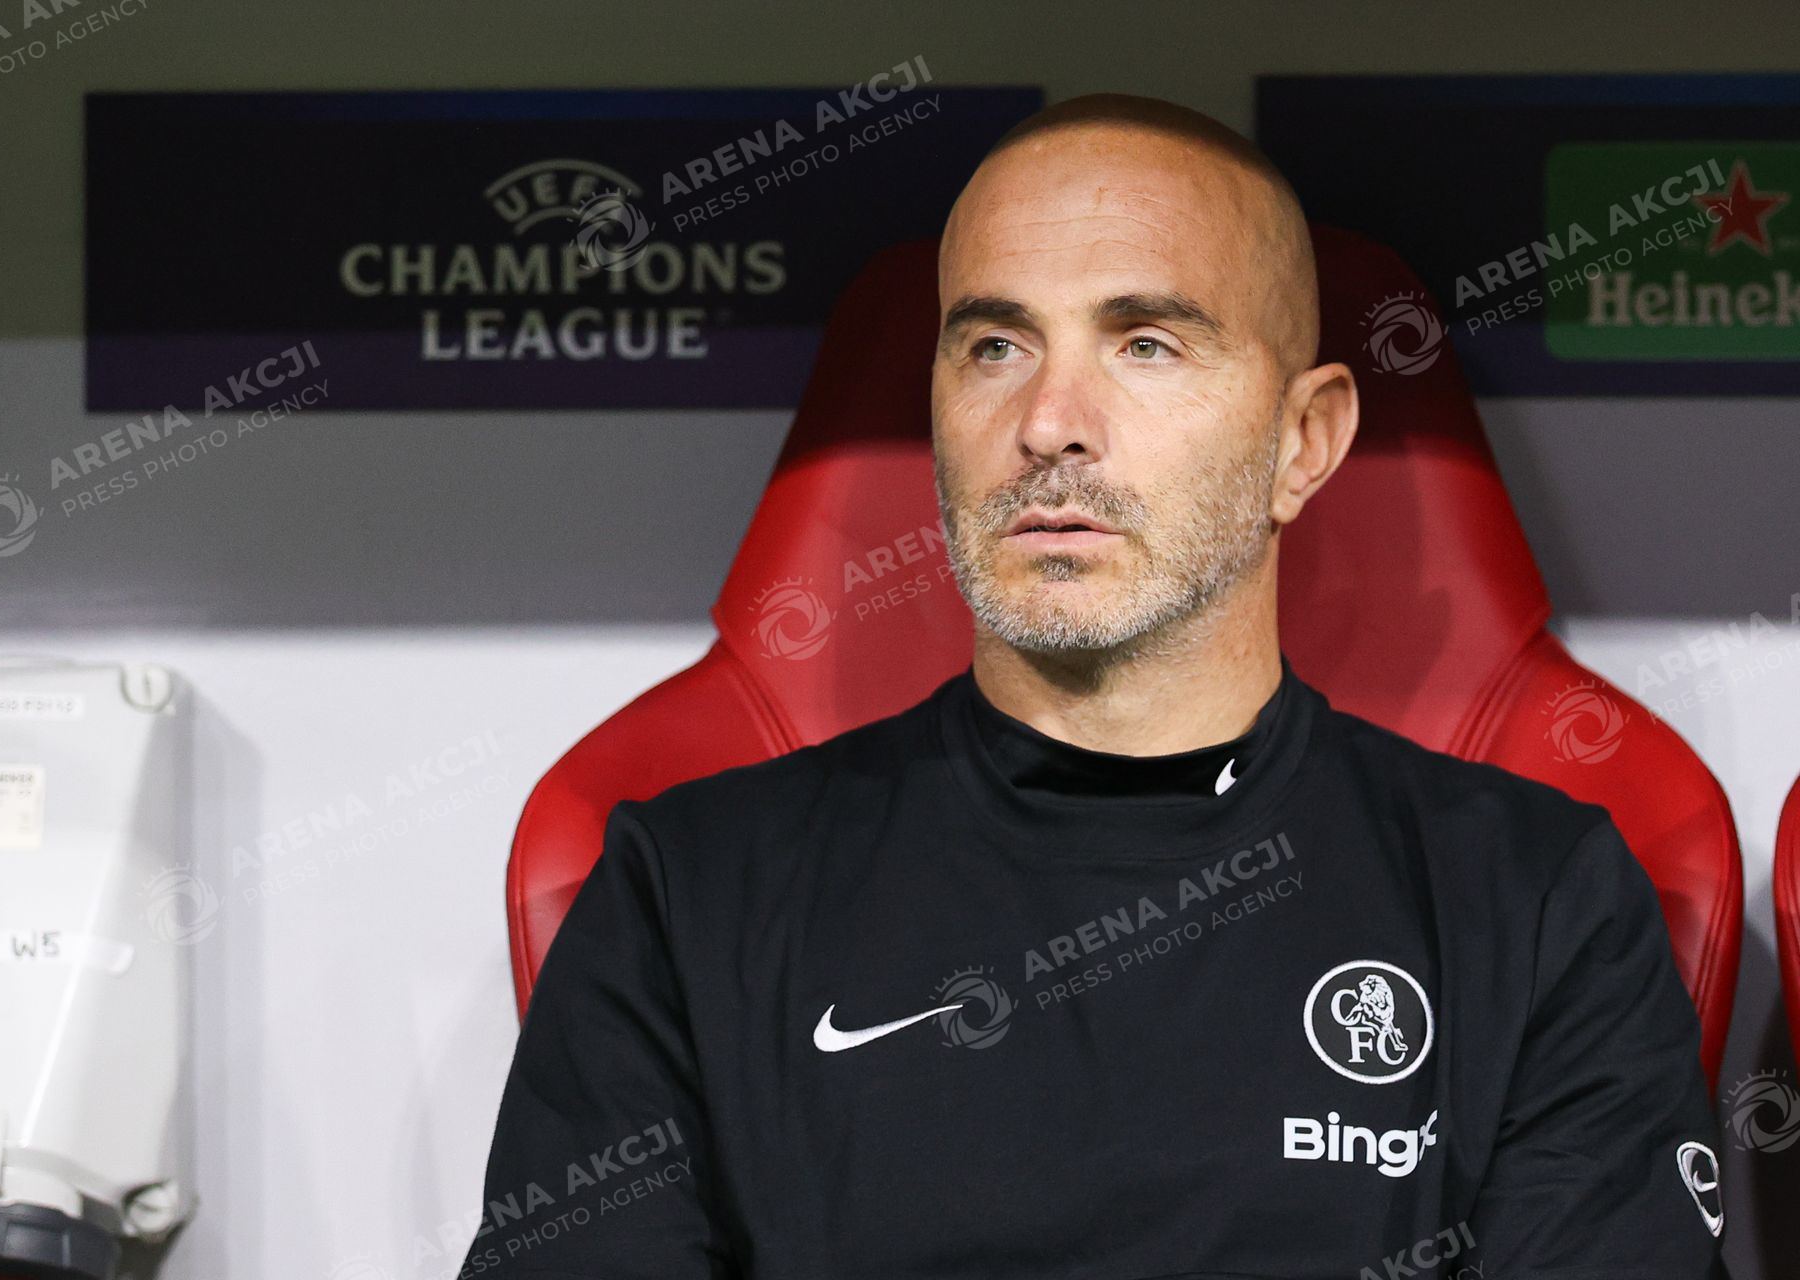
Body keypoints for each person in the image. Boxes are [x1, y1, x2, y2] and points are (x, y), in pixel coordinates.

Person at [458, 93, 1726, 1279]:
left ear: (1304, 441)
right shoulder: (685, 893)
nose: (1049, 420)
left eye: (1147, 343)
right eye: (994, 344)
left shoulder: (1539, 902)